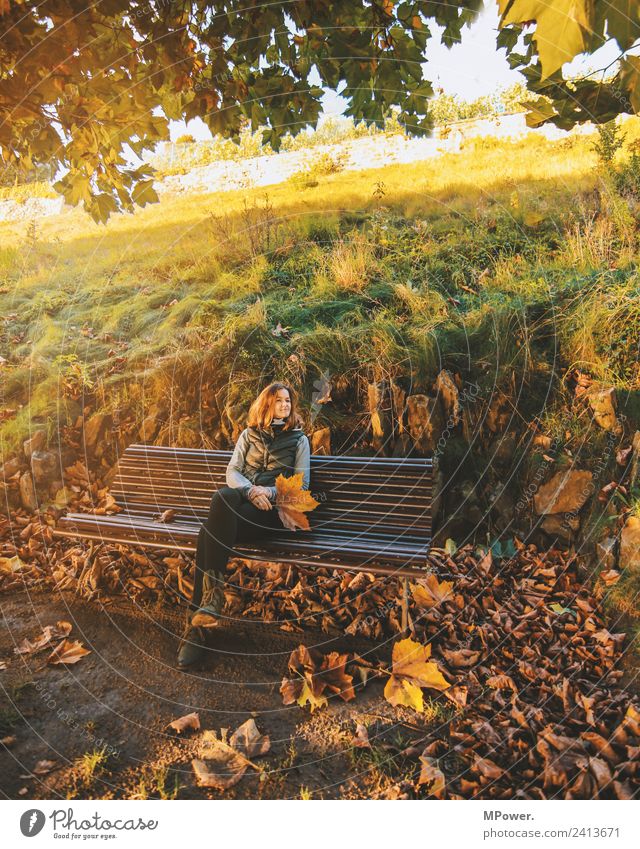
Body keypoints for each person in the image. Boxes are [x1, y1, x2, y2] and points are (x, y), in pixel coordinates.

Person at [177, 381, 311, 669]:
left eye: (288, 401)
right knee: (223, 496)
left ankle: (198, 625)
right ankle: (208, 607)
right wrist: (250, 490)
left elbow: (301, 486)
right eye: (279, 401)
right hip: (244, 504)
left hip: (272, 514)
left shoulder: (299, 440)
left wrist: (270, 493)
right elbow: (232, 472)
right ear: (266, 405)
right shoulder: (248, 435)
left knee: (208, 531)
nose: (285, 405)